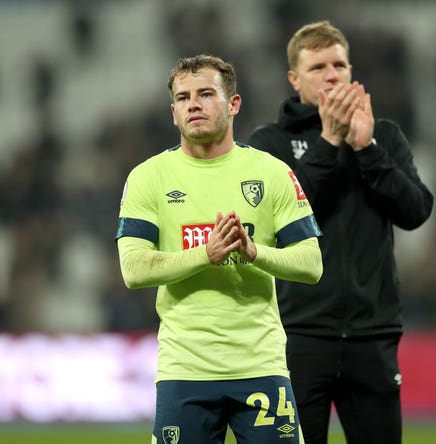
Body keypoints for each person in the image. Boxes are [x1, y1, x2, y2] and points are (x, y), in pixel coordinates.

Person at [116, 54, 323, 444]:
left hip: (260, 364)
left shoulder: (271, 172)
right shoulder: (147, 178)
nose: (193, 104)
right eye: (183, 97)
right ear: (173, 112)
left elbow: (312, 264)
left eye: (206, 93)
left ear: (233, 104)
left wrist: (255, 252)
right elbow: (133, 269)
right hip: (185, 370)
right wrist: (206, 254)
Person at [248, 21, 434, 444]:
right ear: (294, 79)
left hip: (372, 335)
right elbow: (281, 218)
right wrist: (329, 142)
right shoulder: (270, 142)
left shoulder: (383, 135)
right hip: (299, 335)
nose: (332, 75)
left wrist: (367, 151)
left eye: (339, 65)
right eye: (317, 68)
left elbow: (416, 210)